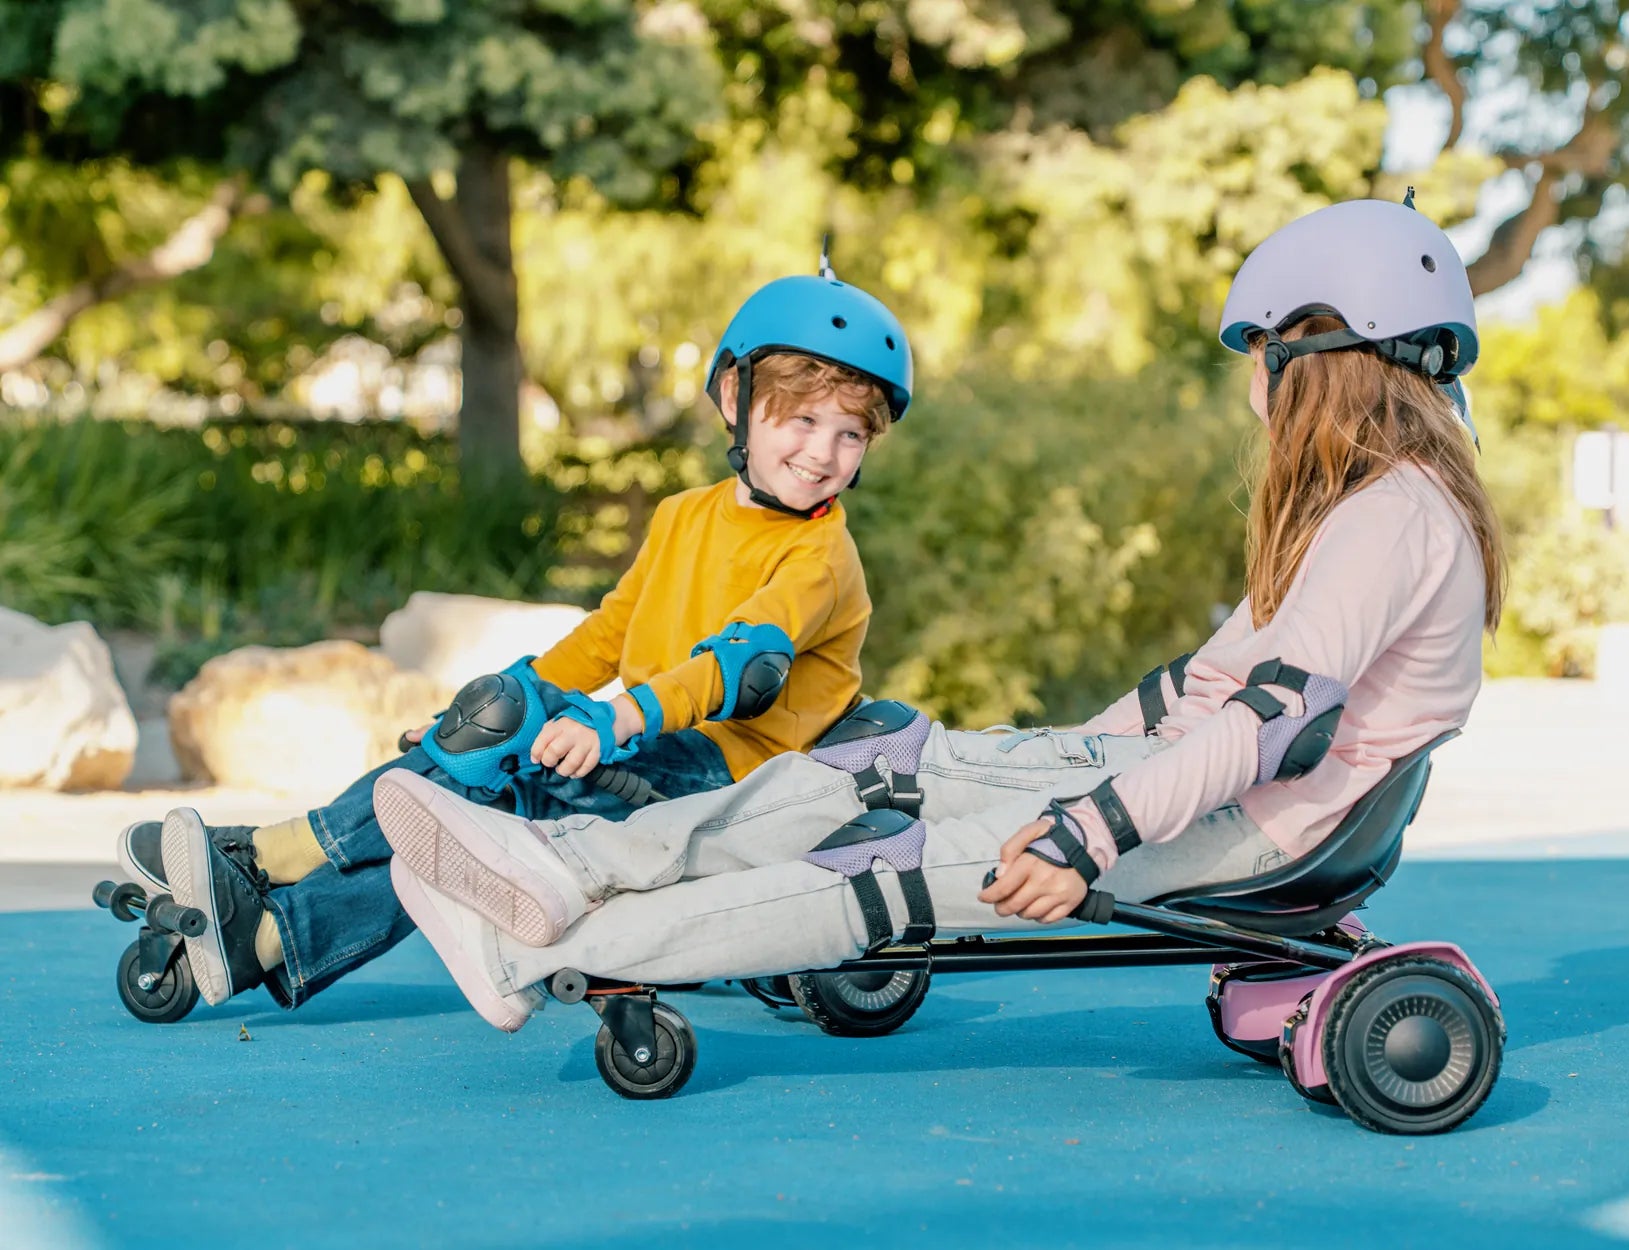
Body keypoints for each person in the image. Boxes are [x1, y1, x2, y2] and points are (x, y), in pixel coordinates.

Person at [374, 196, 1510, 1030]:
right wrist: (1073, 760)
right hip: (1194, 785)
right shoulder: (1379, 509)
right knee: (873, 766)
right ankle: (565, 859)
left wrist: (1084, 831)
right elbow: (1199, 691)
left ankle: (546, 939)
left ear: (1313, 357)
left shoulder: (1385, 523)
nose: (1253, 382)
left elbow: (1268, 727)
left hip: (1244, 822)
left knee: (872, 873)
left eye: (1259, 353)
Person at [121, 269, 938, 1014]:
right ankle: (262, 940)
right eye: (802, 420)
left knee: (476, 796)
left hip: (729, 771)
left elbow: (739, 666)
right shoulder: (685, 515)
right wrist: (461, 726)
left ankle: (260, 863)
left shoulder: (820, 557)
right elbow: (611, 635)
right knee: (481, 752)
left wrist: (615, 722)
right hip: (664, 739)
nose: (823, 454)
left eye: (850, 436)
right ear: (735, 397)